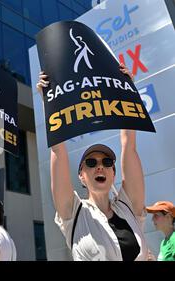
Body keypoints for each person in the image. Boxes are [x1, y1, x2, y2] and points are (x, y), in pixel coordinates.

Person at [36, 65, 149, 260]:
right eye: (91, 162)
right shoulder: (73, 213)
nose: (100, 166)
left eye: (106, 162)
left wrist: (126, 92)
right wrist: (50, 101)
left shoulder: (129, 207)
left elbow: (129, 146)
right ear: (81, 176)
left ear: (113, 173)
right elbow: (58, 152)